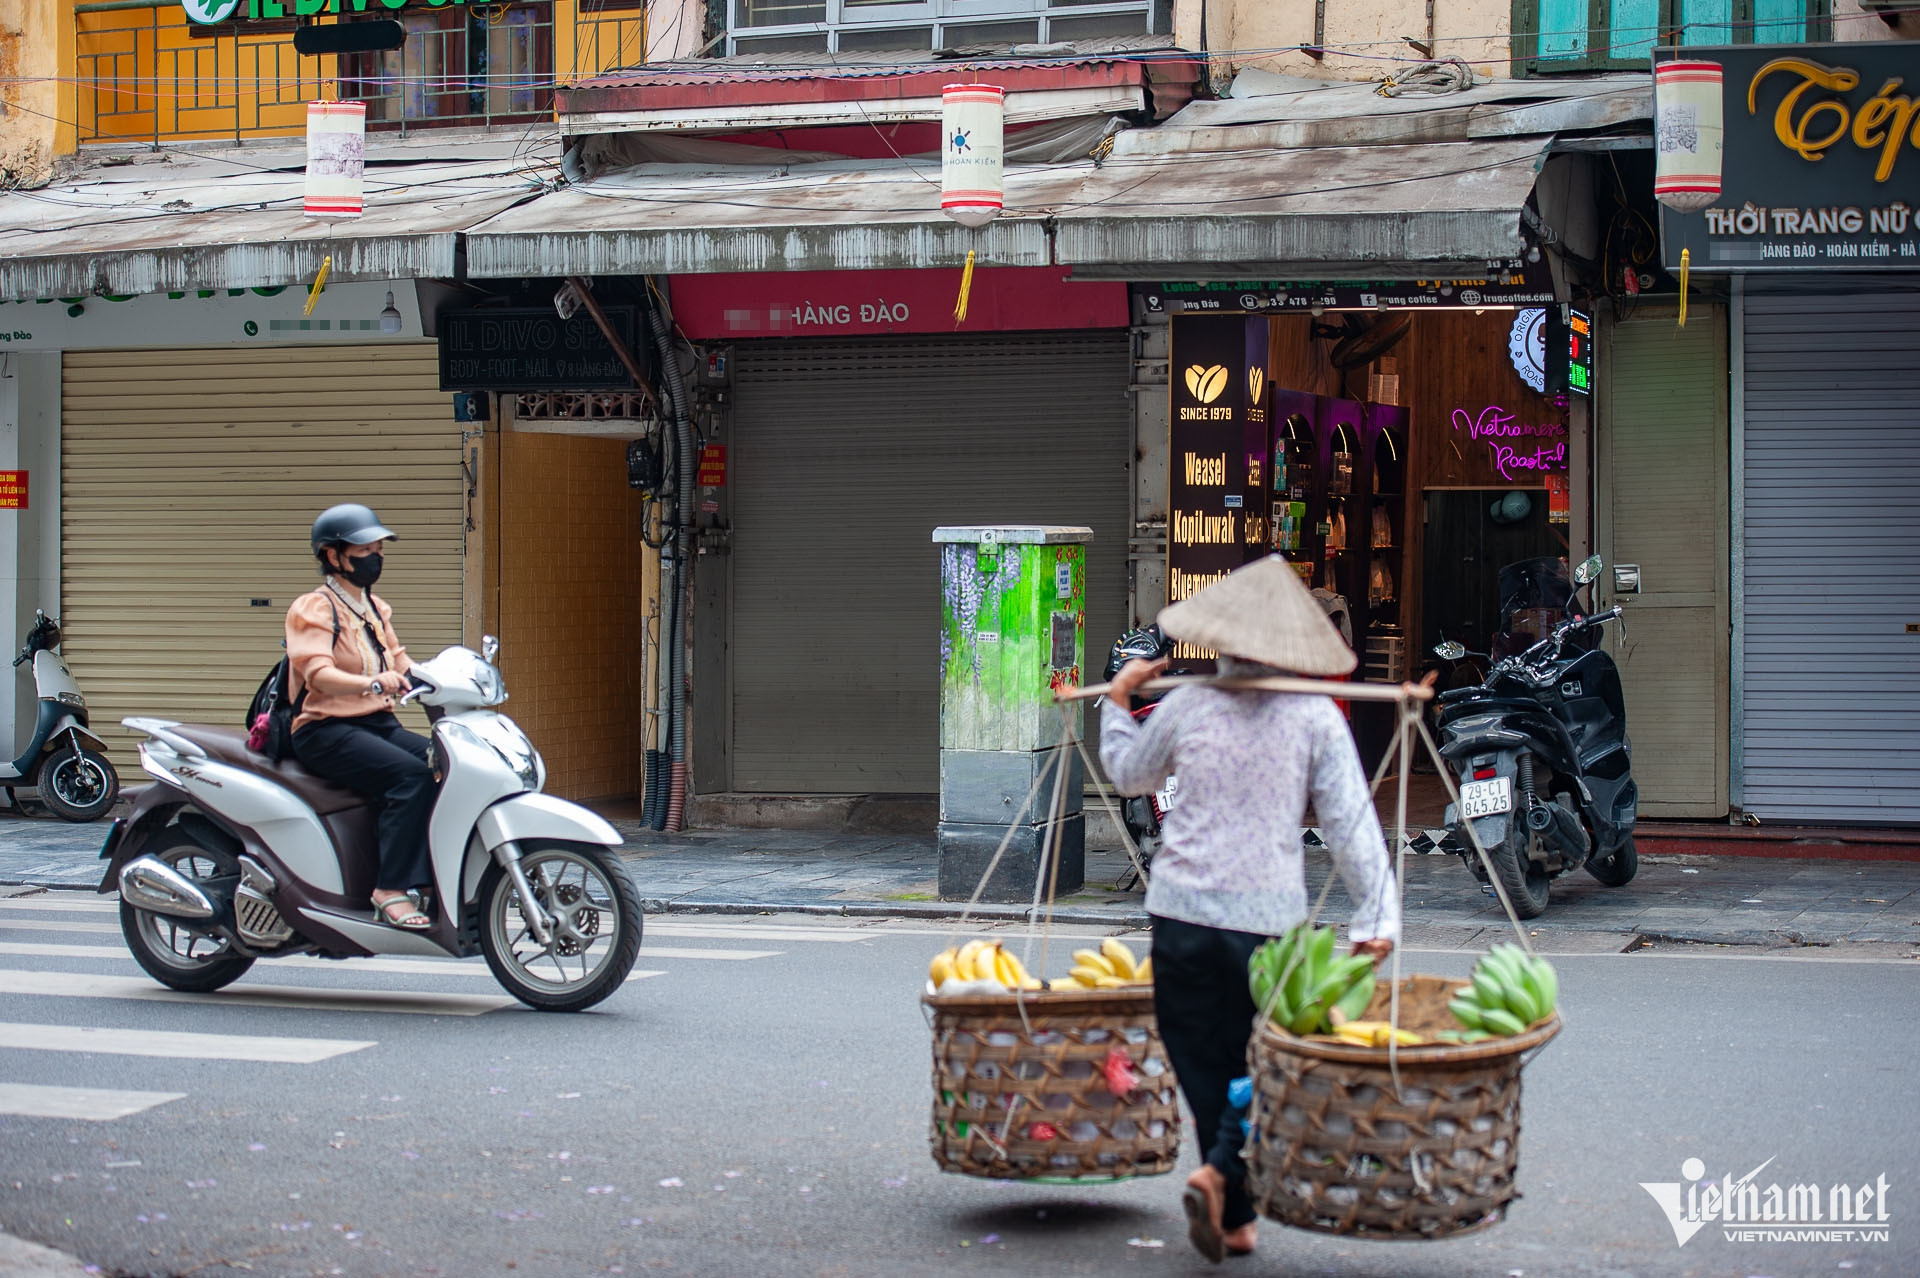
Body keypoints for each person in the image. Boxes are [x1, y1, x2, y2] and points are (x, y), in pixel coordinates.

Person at [1099, 554, 1401, 1264]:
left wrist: (1117, 704)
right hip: (1263, 927)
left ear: (1226, 640)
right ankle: (1225, 1189)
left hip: (1179, 918)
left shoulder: (1186, 704)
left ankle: (1231, 1209)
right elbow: (1351, 823)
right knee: (1261, 1067)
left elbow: (1129, 773)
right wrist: (1377, 918)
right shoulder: (1316, 719)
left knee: (1206, 1066)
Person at [285, 504, 434, 931]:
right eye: (365, 549)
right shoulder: (313, 608)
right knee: (411, 776)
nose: (375, 558)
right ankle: (389, 889)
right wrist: (373, 684)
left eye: (379, 550)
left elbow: (403, 664)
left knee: (441, 763)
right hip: (326, 728)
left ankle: (425, 876)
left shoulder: (374, 607)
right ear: (333, 556)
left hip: (375, 723)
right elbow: (319, 674)